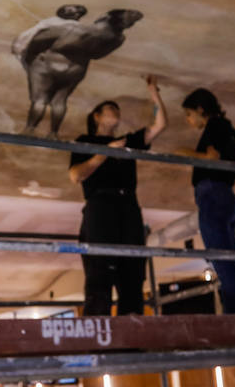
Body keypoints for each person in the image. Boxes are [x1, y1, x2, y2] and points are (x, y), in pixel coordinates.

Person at [68, 74, 168, 315]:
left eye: (117, 109)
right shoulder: (85, 141)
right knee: (99, 271)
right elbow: (76, 175)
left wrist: (154, 92)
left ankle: (131, 342)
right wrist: (105, 152)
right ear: (97, 117)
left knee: (132, 273)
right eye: (109, 108)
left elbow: (160, 125)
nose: (116, 110)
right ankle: (97, 339)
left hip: (128, 206)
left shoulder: (127, 141)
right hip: (100, 205)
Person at [180, 88, 235, 314]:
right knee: (229, 262)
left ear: (201, 110)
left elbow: (212, 158)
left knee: (223, 262)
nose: (189, 121)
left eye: (189, 115)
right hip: (225, 197)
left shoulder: (214, 126)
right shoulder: (225, 128)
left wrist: (184, 152)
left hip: (213, 196)